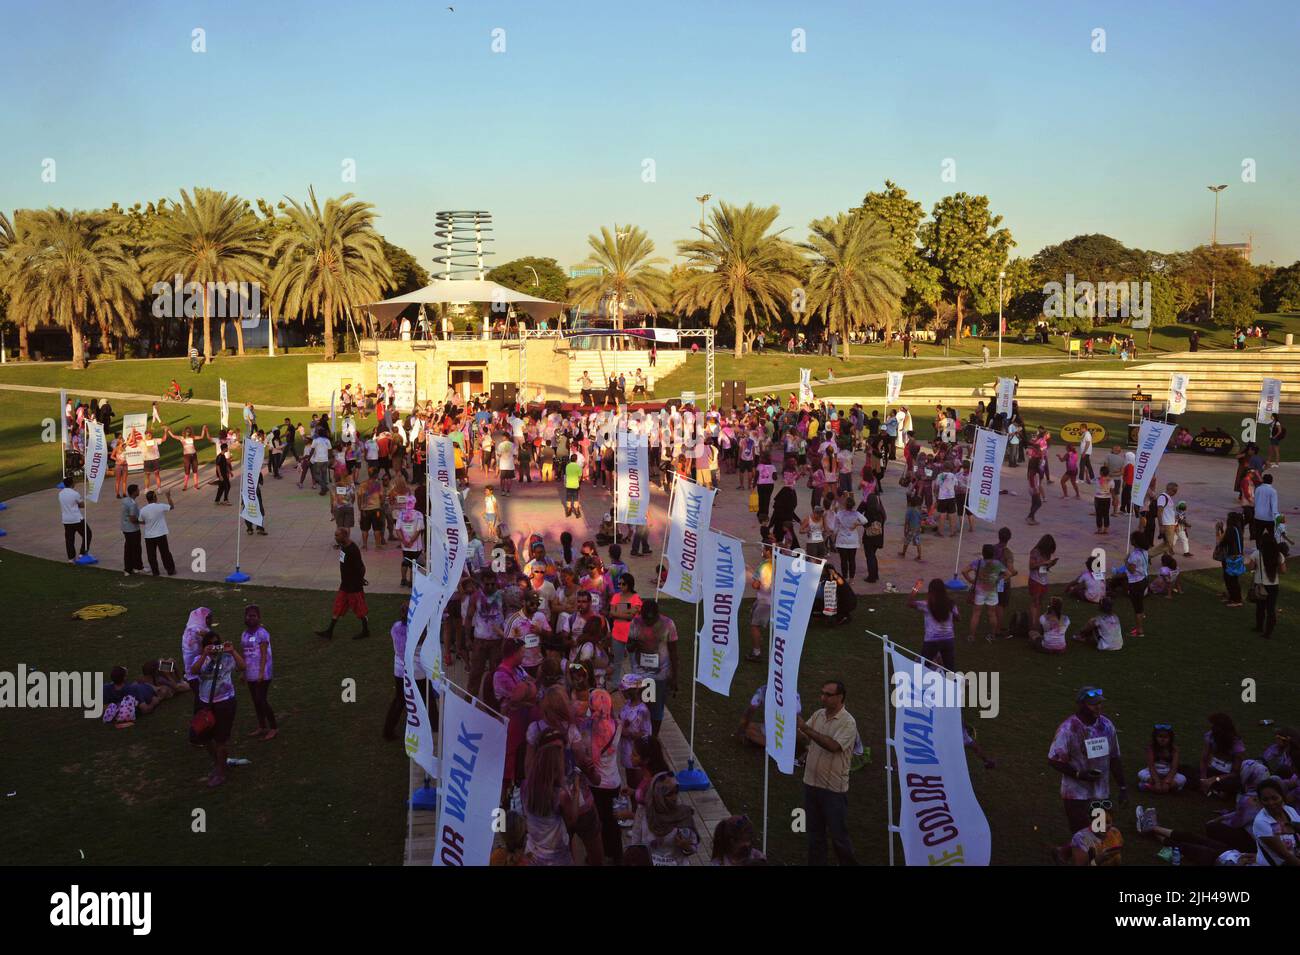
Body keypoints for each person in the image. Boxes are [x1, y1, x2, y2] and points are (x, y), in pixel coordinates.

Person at [1048, 686, 1126, 833]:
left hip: (1100, 792)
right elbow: (1053, 760)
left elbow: (1114, 758)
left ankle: (1063, 853)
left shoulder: (1107, 726)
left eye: (1099, 703)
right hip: (1075, 793)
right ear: (1082, 705)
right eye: (1093, 704)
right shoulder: (1068, 729)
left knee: (1100, 833)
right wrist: (1079, 775)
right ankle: (1072, 853)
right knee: (1081, 835)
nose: (1098, 707)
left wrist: (1122, 787)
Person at [798, 679, 859, 866]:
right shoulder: (818, 714)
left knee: (839, 837)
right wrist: (793, 728)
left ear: (840, 697)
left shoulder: (848, 722)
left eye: (828, 694)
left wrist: (806, 729)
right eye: (822, 693)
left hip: (833, 790)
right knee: (815, 835)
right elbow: (804, 736)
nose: (822, 698)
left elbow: (833, 746)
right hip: (811, 784)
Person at [189, 629, 245, 788]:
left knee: (221, 740)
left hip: (225, 703)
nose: (214, 647)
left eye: (216, 644)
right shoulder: (200, 659)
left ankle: (221, 771)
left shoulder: (227, 658)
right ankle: (219, 763)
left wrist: (232, 651)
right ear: (204, 646)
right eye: (210, 644)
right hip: (205, 703)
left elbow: (242, 666)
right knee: (205, 737)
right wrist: (204, 655)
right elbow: (194, 671)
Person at [521, 728, 579, 866]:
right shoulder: (561, 795)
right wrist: (576, 792)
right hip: (556, 857)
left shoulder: (525, 786)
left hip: (533, 854)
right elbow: (572, 821)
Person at [627, 599, 678, 738]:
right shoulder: (636, 623)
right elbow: (629, 647)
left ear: (657, 614)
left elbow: (673, 651)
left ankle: (653, 737)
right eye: (645, 618)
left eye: (651, 619)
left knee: (656, 708)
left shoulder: (668, 624)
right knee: (642, 705)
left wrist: (674, 676)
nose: (648, 622)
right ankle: (643, 733)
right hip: (640, 674)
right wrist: (635, 643)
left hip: (660, 675)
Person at [626, 771, 700, 865]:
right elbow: (636, 841)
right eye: (669, 794)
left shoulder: (683, 815)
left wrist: (685, 846)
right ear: (657, 794)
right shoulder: (644, 813)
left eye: (676, 793)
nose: (674, 798)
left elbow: (693, 847)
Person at [315, 528, 371, 640]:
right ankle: (329, 631)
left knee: (359, 609)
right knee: (338, 606)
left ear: (344, 536)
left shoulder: (352, 549)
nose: (335, 538)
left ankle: (365, 631)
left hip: (354, 586)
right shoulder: (343, 546)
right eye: (335, 535)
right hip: (345, 584)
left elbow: (361, 567)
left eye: (337, 536)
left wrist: (361, 579)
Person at [240, 604, 276, 740]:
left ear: (259, 617)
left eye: (254, 615)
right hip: (250, 673)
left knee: (261, 699)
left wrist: (261, 673)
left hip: (263, 673)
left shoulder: (262, 633)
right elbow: (244, 654)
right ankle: (261, 726)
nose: (251, 618)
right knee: (256, 700)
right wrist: (243, 672)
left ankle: (273, 727)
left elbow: (264, 654)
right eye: (249, 616)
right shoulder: (244, 634)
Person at [962, 543, 1009, 643]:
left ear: (983, 553)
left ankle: (971, 636)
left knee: (976, 614)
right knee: (992, 614)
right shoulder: (997, 564)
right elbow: (1008, 574)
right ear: (993, 553)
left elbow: (964, 571)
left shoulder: (977, 563)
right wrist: (999, 579)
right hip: (992, 592)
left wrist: (971, 581)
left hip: (979, 592)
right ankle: (992, 635)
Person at [911, 579, 958, 671]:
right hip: (948, 639)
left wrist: (916, 588)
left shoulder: (927, 604)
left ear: (930, 591)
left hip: (932, 640)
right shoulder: (951, 604)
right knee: (950, 668)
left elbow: (909, 603)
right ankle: (954, 683)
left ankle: (924, 681)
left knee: (924, 666)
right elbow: (958, 618)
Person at [1245, 529, 1285, 639]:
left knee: (1260, 608)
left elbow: (1251, 567)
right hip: (1273, 584)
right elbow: (1283, 570)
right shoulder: (1279, 555)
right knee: (1271, 609)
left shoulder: (1257, 554)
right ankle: (1268, 632)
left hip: (1260, 584)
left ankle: (1259, 627)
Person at [1252, 777, 1300, 866]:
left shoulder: (1289, 811)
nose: (1271, 803)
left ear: (1282, 796)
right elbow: (1286, 855)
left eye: (1274, 798)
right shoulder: (1262, 822)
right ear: (1260, 801)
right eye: (1265, 800)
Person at [1136, 723, 1185, 793]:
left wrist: (1167, 782)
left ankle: (1150, 787)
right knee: (1141, 773)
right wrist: (1157, 782)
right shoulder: (1151, 748)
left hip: (1168, 772)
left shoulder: (1174, 750)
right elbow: (1151, 766)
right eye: (1160, 736)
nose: (1162, 739)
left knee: (1182, 778)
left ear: (1170, 738)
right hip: (1154, 772)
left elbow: (1174, 768)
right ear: (1155, 737)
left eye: (1166, 737)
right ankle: (1168, 789)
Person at [139, 489, 177, 577]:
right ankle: (170, 570)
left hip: (149, 536)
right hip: (160, 534)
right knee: (165, 553)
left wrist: (148, 522)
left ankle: (155, 572)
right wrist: (168, 497)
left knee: (151, 555)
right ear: (154, 498)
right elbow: (171, 506)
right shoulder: (160, 506)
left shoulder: (143, 510)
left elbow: (140, 520)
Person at [1215, 512, 1247, 607]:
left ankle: (1236, 600)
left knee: (1230, 579)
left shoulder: (1231, 529)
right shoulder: (1238, 529)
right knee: (1232, 579)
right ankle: (1233, 597)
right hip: (1236, 557)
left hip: (1231, 557)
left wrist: (1218, 530)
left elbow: (1220, 542)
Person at [1123, 531, 1149, 638]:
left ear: (1135, 541)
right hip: (1143, 579)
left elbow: (1132, 570)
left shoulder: (1134, 555)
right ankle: (1141, 616)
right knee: (1140, 603)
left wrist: (1126, 561)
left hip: (1136, 582)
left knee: (1136, 607)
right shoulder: (1145, 552)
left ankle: (1139, 630)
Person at [58, 481, 90, 562]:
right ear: (72, 484)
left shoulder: (60, 494)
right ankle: (82, 553)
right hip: (76, 519)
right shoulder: (75, 493)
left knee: (69, 539)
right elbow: (82, 505)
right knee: (87, 534)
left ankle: (71, 558)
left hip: (66, 520)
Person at [119, 483, 144, 576]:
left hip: (125, 528)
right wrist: (142, 522)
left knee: (129, 548)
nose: (139, 491)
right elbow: (133, 519)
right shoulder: (132, 504)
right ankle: (132, 567)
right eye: (138, 490)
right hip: (132, 530)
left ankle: (132, 567)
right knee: (135, 549)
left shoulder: (125, 500)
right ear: (134, 492)